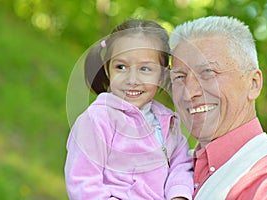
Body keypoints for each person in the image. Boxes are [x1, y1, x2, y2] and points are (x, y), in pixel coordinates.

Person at [64, 19, 193, 200]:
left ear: (163, 75)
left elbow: (181, 166)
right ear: (108, 70)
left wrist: (178, 195)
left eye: (145, 69)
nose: (132, 79)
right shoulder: (97, 120)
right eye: (121, 67)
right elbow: (83, 183)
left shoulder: (168, 123)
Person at [169, 16, 267, 199]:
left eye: (208, 73)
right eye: (179, 77)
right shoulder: (174, 168)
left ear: (253, 84)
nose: (189, 93)